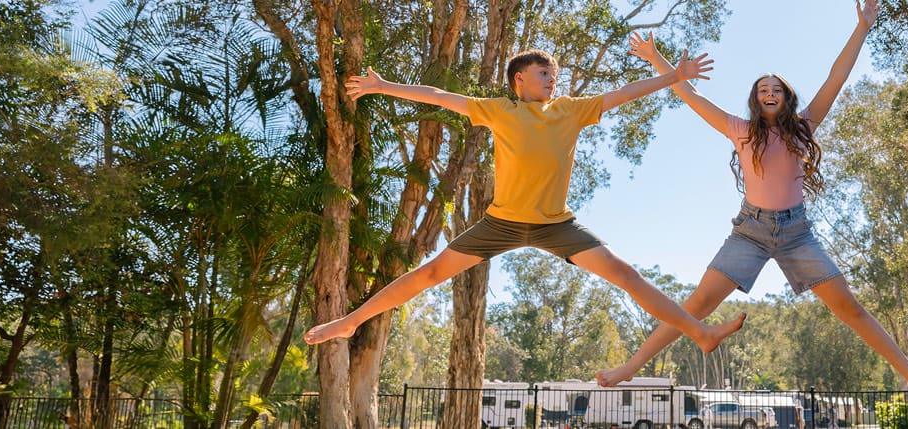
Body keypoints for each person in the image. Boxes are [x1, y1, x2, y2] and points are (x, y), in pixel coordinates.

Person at [594, 0, 908, 396]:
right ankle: (629, 367)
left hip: (796, 233)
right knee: (698, 303)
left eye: (777, 89)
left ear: (786, 97)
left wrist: (863, 27)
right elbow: (689, 93)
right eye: (763, 89)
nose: (770, 92)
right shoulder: (739, 129)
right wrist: (655, 57)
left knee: (849, 308)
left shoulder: (804, 128)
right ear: (755, 98)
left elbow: (837, 77)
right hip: (750, 231)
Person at [304, 48, 746, 351]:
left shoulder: (571, 109)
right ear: (520, 80)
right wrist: (384, 86)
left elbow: (623, 94)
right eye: (543, 74)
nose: (552, 80)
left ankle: (700, 333)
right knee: (433, 271)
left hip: (557, 224)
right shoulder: (500, 110)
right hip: (502, 222)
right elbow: (441, 97)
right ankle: (350, 321)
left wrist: (674, 76)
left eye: (555, 75)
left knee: (625, 274)